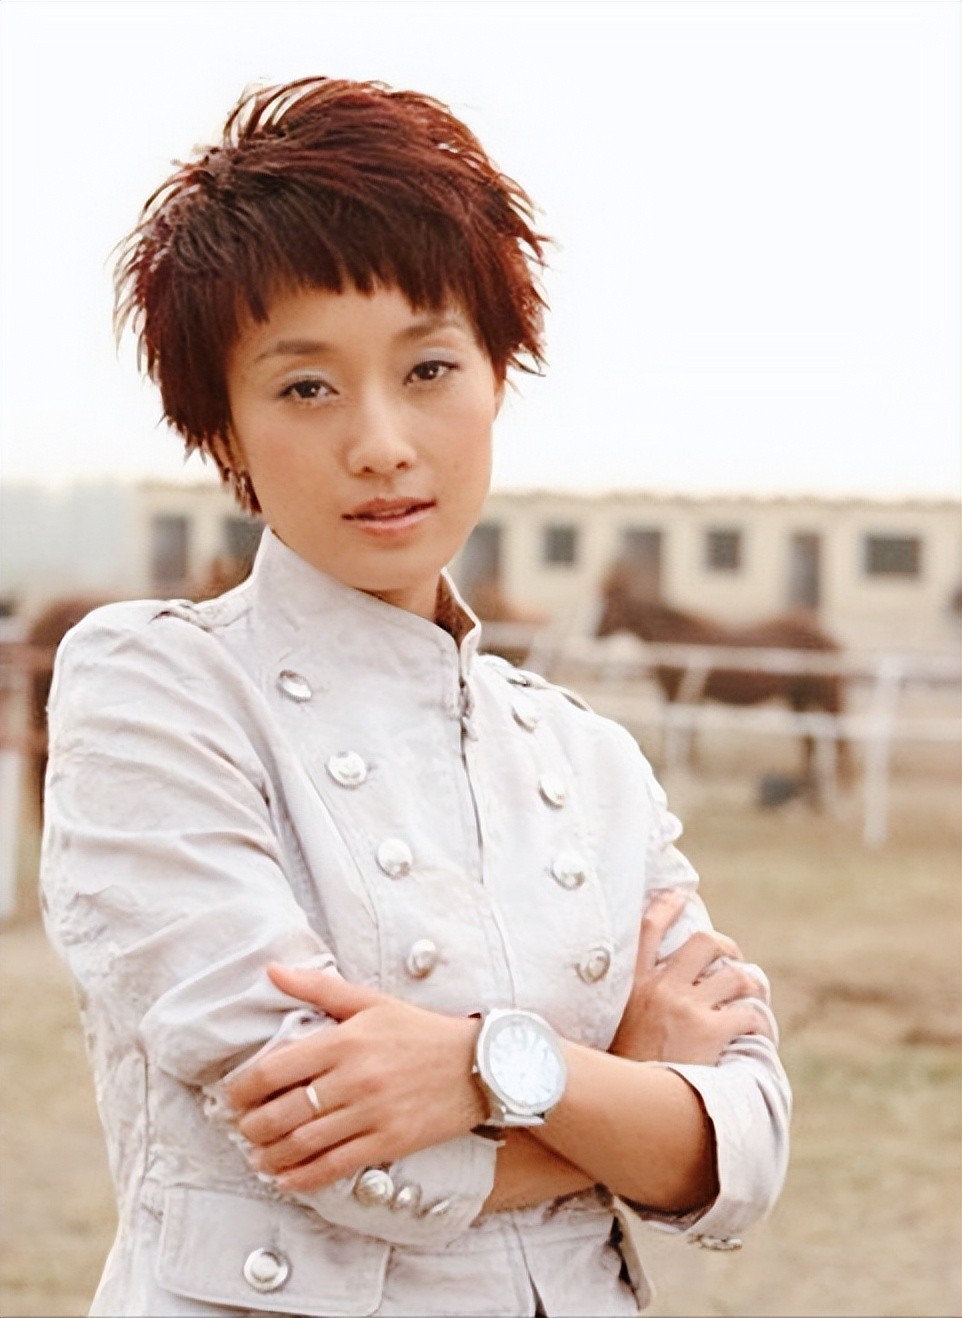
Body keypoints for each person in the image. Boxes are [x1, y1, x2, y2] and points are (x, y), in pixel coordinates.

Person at [39, 77, 790, 1317]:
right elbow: (320, 1139)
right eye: (306, 387)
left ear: (498, 376)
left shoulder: (587, 755)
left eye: (430, 366)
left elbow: (745, 1150)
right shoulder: (156, 684)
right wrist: (618, 1088)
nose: (382, 441)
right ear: (222, 433)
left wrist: (478, 1069)